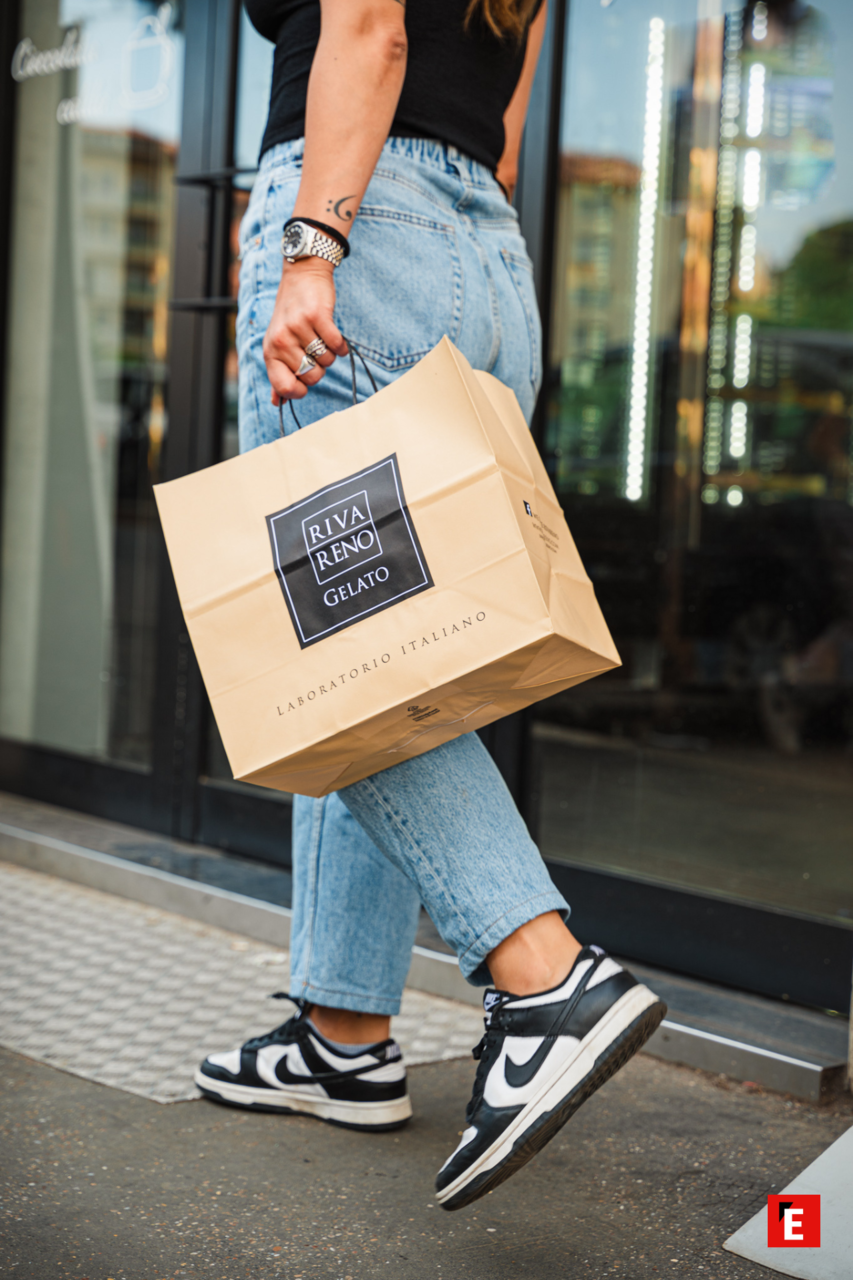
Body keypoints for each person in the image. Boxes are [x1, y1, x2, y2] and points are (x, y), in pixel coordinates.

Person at [196, 0, 665, 1212]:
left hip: (361, 233)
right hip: (486, 262)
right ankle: (341, 1035)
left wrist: (311, 245)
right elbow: (501, 138)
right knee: (394, 638)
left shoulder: (331, 232)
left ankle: (544, 975)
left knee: (344, 646)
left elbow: (367, 28)